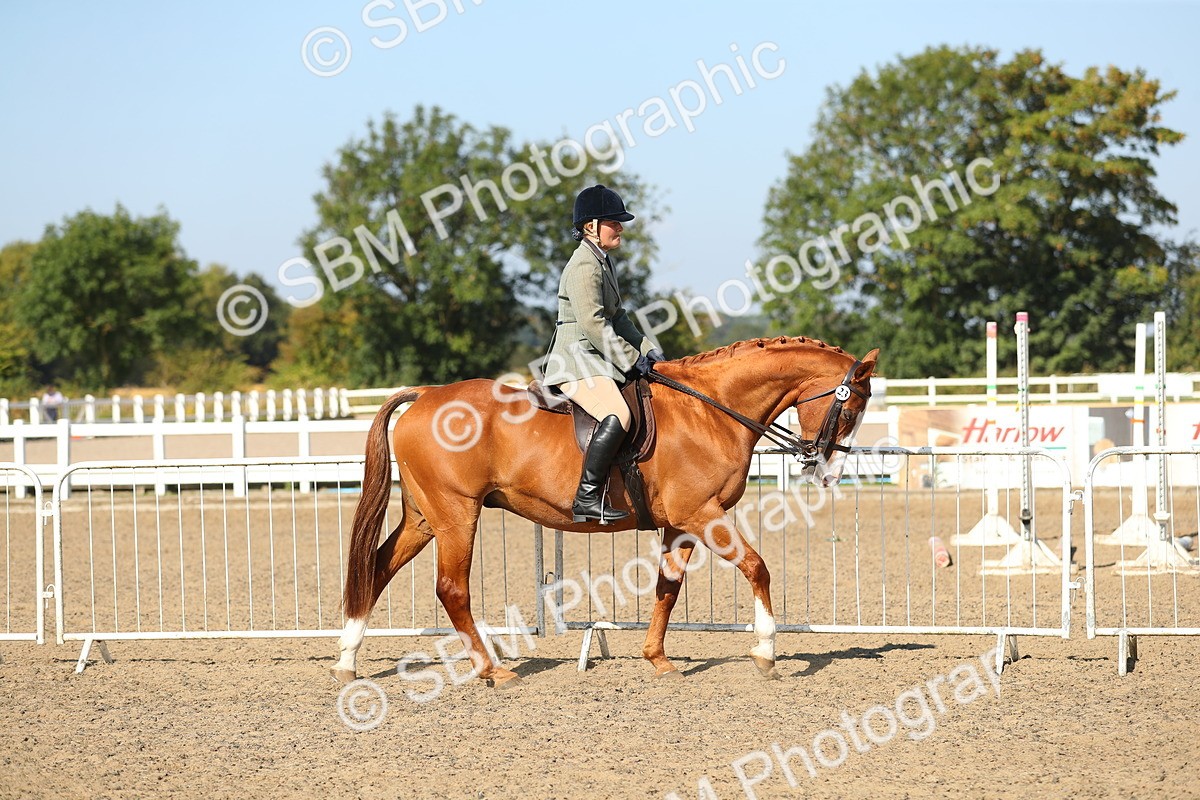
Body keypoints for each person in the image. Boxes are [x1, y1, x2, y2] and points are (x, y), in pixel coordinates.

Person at [543, 184, 664, 524]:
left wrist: (648, 351)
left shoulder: (602, 262)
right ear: (592, 226)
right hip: (576, 359)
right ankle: (587, 497)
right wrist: (630, 360)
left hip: (594, 356)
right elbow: (594, 325)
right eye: (615, 222)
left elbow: (619, 317)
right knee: (618, 414)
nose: (621, 227)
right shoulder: (585, 265)